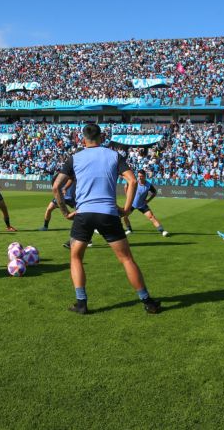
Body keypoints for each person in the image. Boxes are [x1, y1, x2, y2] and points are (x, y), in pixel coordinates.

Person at [53, 123, 161, 315]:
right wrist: (127, 209)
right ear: (102, 137)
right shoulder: (113, 155)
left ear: (82, 139)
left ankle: (81, 303)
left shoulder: (75, 158)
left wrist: (65, 213)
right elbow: (133, 181)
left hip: (83, 214)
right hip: (108, 213)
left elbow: (56, 187)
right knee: (126, 259)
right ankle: (147, 301)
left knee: (76, 257)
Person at [122, 170, 169, 237]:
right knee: (125, 216)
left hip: (142, 205)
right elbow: (125, 186)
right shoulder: (134, 182)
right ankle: (129, 229)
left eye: (141, 176)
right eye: (138, 176)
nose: (140, 178)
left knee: (151, 217)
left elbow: (154, 193)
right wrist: (127, 196)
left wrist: (148, 200)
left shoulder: (148, 185)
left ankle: (162, 231)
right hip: (132, 204)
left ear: (145, 176)